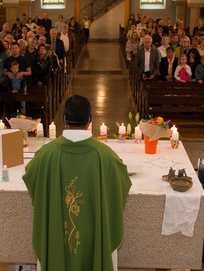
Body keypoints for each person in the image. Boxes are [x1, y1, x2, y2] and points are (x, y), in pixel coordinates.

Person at [22, 95, 132, 270]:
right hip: (94, 236)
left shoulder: (46, 155)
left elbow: (31, 177)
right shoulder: (105, 156)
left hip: (58, 232)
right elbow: (122, 182)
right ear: (90, 120)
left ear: (64, 119)